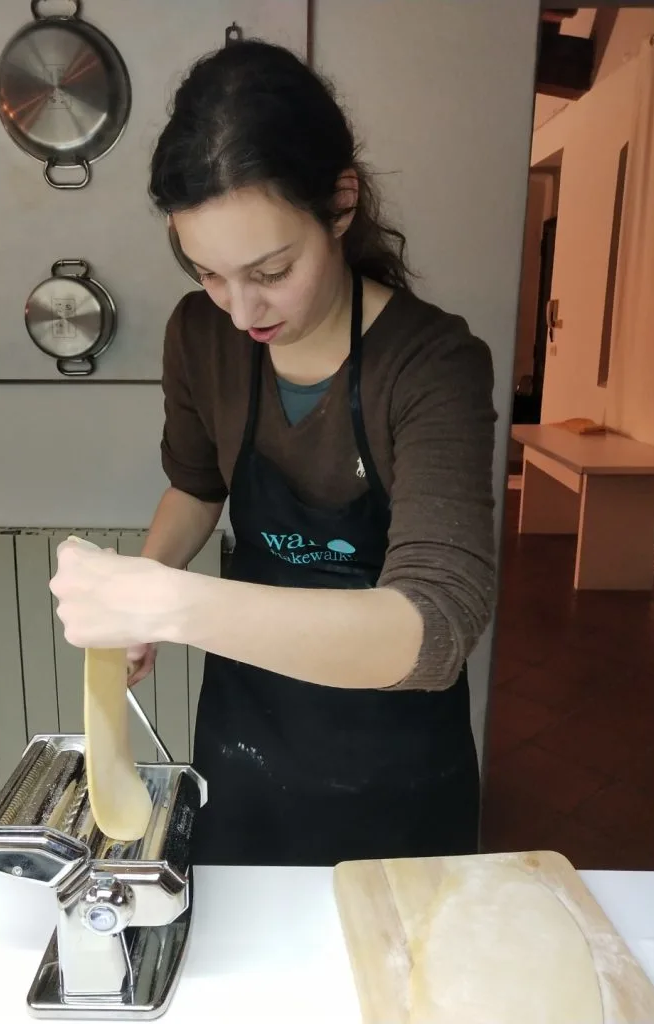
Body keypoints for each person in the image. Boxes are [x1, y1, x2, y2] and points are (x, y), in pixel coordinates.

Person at [49, 39, 498, 867]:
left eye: (272, 269)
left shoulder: (432, 363)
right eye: (209, 272)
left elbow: (435, 628)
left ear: (340, 204)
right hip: (249, 736)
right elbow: (195, 487)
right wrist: (139, 607)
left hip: (396, 765)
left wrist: (166, 601)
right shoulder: (200, 335)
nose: (241, 309)